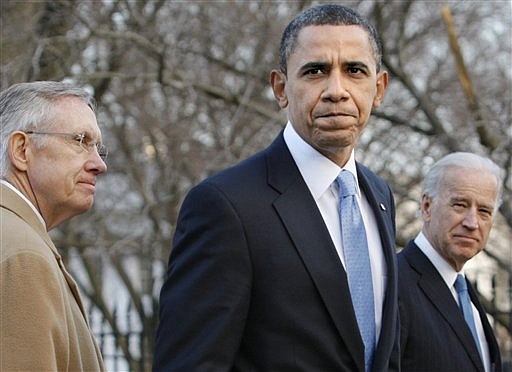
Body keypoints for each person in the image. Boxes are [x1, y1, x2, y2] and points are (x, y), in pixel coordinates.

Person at [154, 4, 398, 372]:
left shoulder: (379, 197)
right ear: (281, 88)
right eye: (315, 71)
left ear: (378, 89)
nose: (337, 90)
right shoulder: (226, 206)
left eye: (354, 71)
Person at [0, 81, 107, 371]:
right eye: (80, 140)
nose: (99, 164)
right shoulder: (23, 255)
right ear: (22, 150)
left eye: (98, 147)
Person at [398, 152, 503, 372]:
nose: (472, 223)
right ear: (427, 207)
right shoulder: (392, 283)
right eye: (460, 205)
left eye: (484, 211)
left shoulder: (465, 293)